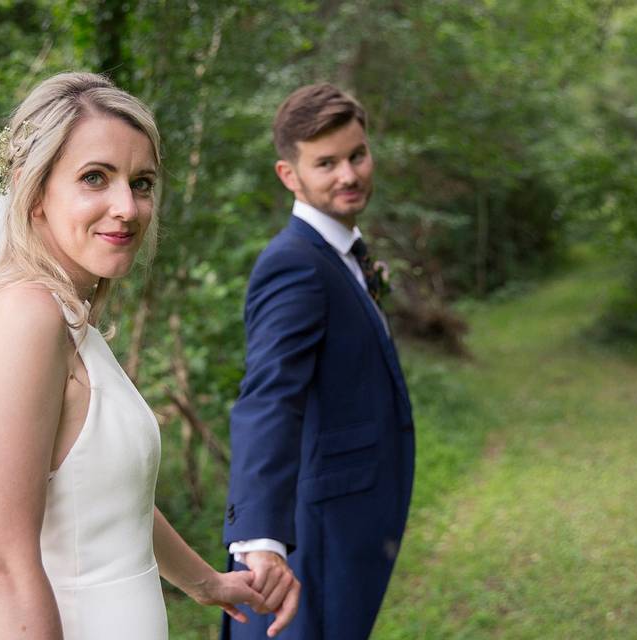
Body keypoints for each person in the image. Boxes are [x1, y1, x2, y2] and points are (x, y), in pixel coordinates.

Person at [0, 72, 296, 640]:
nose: (127, 208)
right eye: (95, 178)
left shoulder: (65, 318)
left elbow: (111, 500)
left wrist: (206, 583)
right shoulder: (24, 318)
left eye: (141, 183)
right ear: (33, 190)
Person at [222, 83, 416, 639]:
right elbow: (269, 396)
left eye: (357, 155)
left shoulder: (343, 253)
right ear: (290, 175)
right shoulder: (294, 265)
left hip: (351, 522)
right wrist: (260, 538)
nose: (348, 175)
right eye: (325, 163)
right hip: (314, 532)